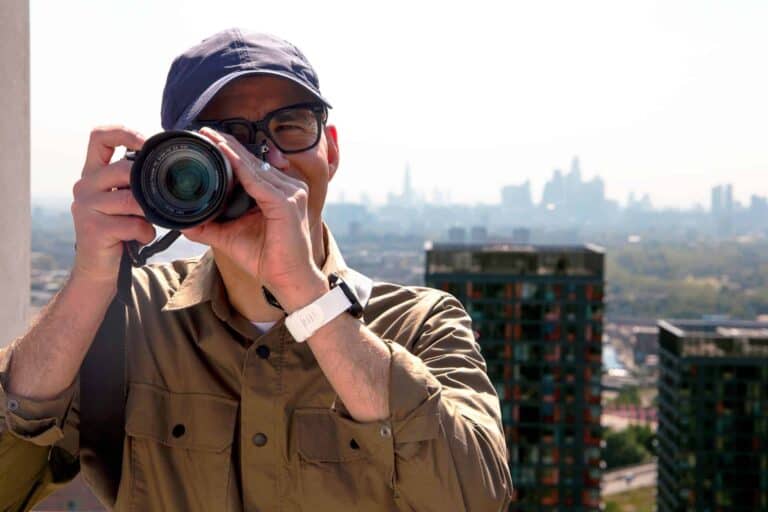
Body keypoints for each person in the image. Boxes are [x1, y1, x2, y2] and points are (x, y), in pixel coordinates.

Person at [0, 29, 513, 511]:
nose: (266, 162)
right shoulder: (127, 318)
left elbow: (476, 497)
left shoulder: (418, 324)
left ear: (330, 149)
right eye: (227, 139)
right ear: (177, 164)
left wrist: (309, 298)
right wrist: (91, 278)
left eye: (289, 127)